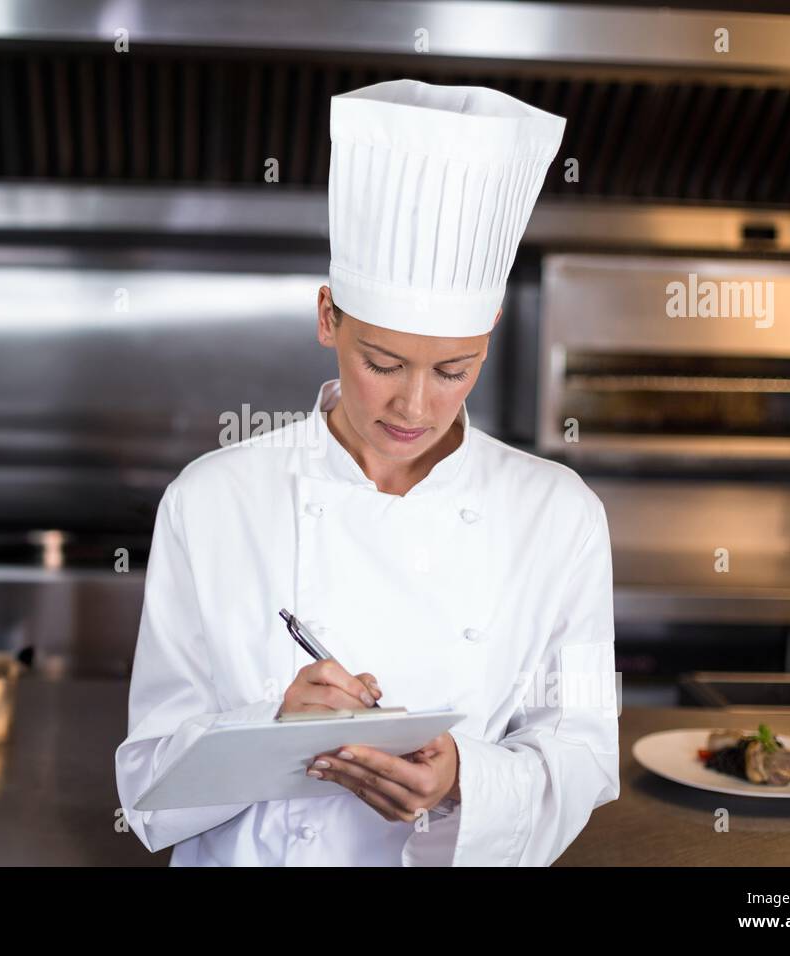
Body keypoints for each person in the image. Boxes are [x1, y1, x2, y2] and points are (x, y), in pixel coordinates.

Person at [115, 79, 619, 866]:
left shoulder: (561, 514)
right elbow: (147, 786)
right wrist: (269, 725)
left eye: (454, 369)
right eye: (382, 362)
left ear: (488, 331)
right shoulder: (211, 500)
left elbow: (586, 752)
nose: (416, 405)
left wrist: (466, 779)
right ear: (327, 317)